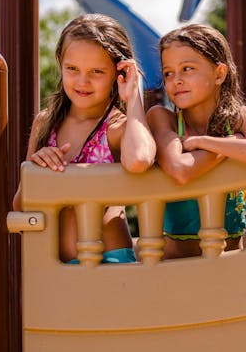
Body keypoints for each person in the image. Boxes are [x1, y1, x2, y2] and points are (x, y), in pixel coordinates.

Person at [12, 14, 156, 264]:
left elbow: (140, 160)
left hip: (110, 263)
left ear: (118, 72)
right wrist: (35, 171)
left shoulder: (116, 127)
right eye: (72, 69)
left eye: (97, 72)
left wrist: (132, 97)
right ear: (60, 63)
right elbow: (20, 207)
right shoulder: (46, 123)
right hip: (54, 267)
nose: (82, 81)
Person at [147, 24, 246, 259]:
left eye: (187, 69)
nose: (176, 80)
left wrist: (208, 143)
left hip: (232, 264)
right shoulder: (163, 118)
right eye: (168, 73)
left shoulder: (242, 117)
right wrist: (234, 145)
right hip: (176, 268)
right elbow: (180, 169)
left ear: (219, 74)